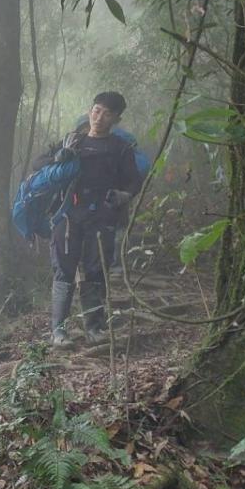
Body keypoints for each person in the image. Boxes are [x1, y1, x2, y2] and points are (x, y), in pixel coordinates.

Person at [50, 92, 143, 346]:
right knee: (64, 271)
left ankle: (94, 329)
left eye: (107, 113)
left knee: (95, 270)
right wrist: (60, 157)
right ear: (90, 110)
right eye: (96, 110)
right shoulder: (73, 141)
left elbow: (134, 180)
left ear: (117, 119)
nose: (99, 117)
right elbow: (41, 165)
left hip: (101, 217)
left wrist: (125, 195)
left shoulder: (120, 148)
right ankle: (58, 332)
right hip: (68, 216)